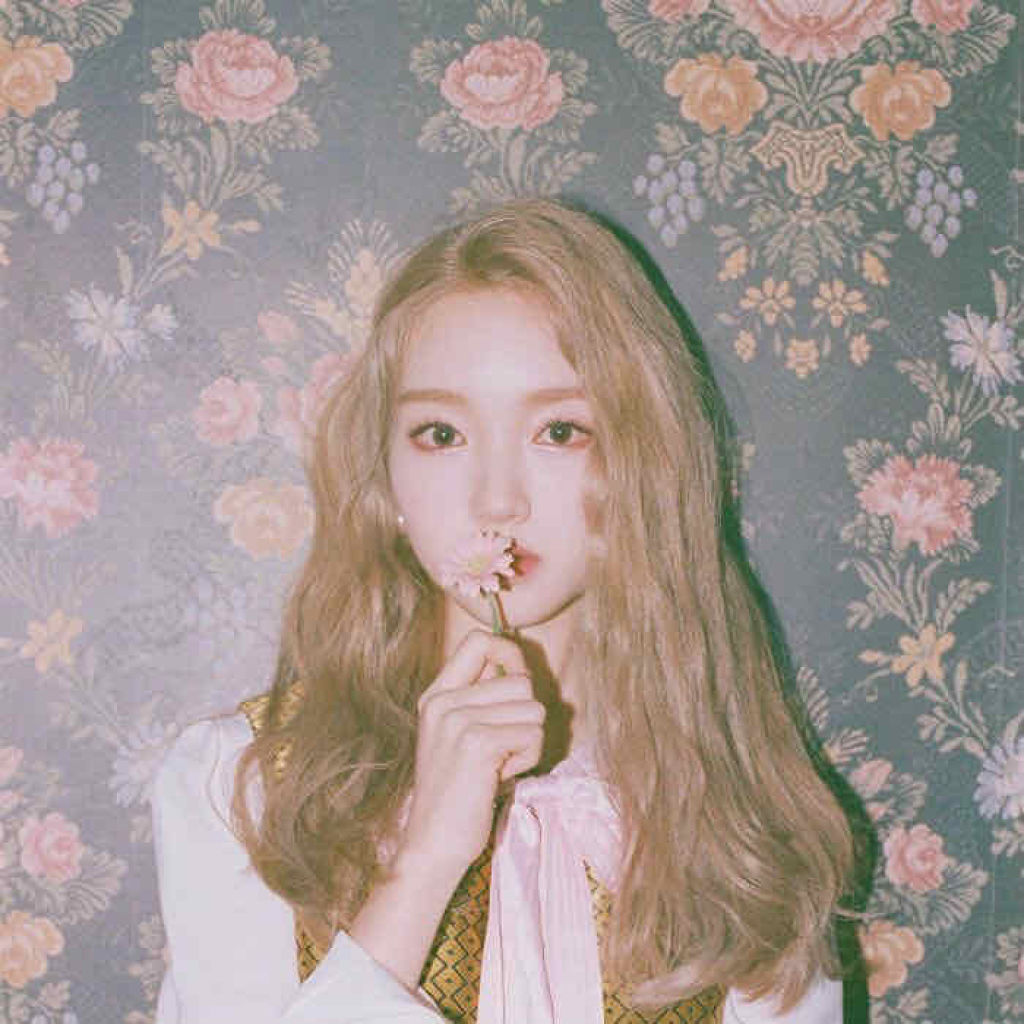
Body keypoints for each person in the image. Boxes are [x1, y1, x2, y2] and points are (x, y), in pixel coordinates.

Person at [151, 198, 855, 1023]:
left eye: (559, 431)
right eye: (441, 434)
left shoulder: (740, 816)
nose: (496, 500)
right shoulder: (241, 786)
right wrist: (424, 862)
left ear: (642, 463)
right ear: (387, 476)